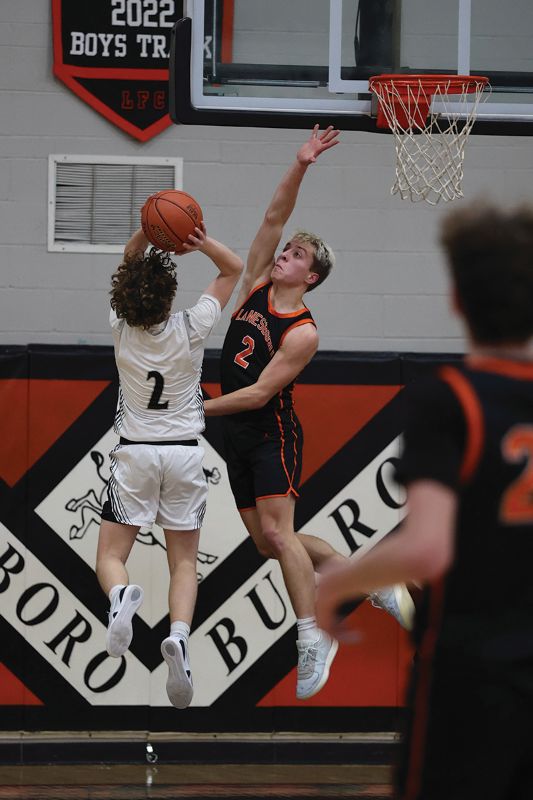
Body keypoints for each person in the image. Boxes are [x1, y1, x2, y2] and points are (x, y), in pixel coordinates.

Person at [316, 202, 533, 799]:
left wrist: (337, 583)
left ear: (457, 300)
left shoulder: (449, 398)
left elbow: (427, 547)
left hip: (470, 673)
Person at [204, 125, 413, 701]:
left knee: (278, 531)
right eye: (286, 249)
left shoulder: (303, 333)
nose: (284, 253)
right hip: (236, 434)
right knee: (268, 543)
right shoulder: (252, 287)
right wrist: (300, 165)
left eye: (295, 254)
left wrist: (196, 410)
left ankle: (313, 635)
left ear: (311, 277)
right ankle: (371, 582)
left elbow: (255, 395)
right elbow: (273, 216)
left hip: (270, 432)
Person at [95, 217, 243, 710]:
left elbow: (127, 263)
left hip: (135, 451)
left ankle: (121, 600)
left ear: (125, 298)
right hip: (183, 453)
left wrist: (144, 229)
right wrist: (199, 243)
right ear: (168, 295)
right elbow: (233, 269)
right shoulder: (190, 326)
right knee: (183, 562)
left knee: (112, 557)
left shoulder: (120, 328)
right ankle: (178, 637)